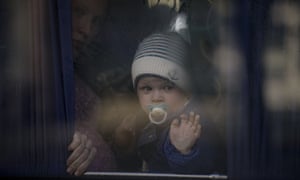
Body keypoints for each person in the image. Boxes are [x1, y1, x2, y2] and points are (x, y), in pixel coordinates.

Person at [130, 31, 227, 174]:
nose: (156, 97)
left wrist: (184, 152)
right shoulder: (153, 123)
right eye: (147, 88)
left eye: (168, 87)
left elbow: (202, 170)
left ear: (187, 91)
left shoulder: (195, 124)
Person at [66, 0, 117, 176]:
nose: (87, 30)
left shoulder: (84, 81)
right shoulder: (17, 80)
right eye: (78, 12)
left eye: (95, 21)